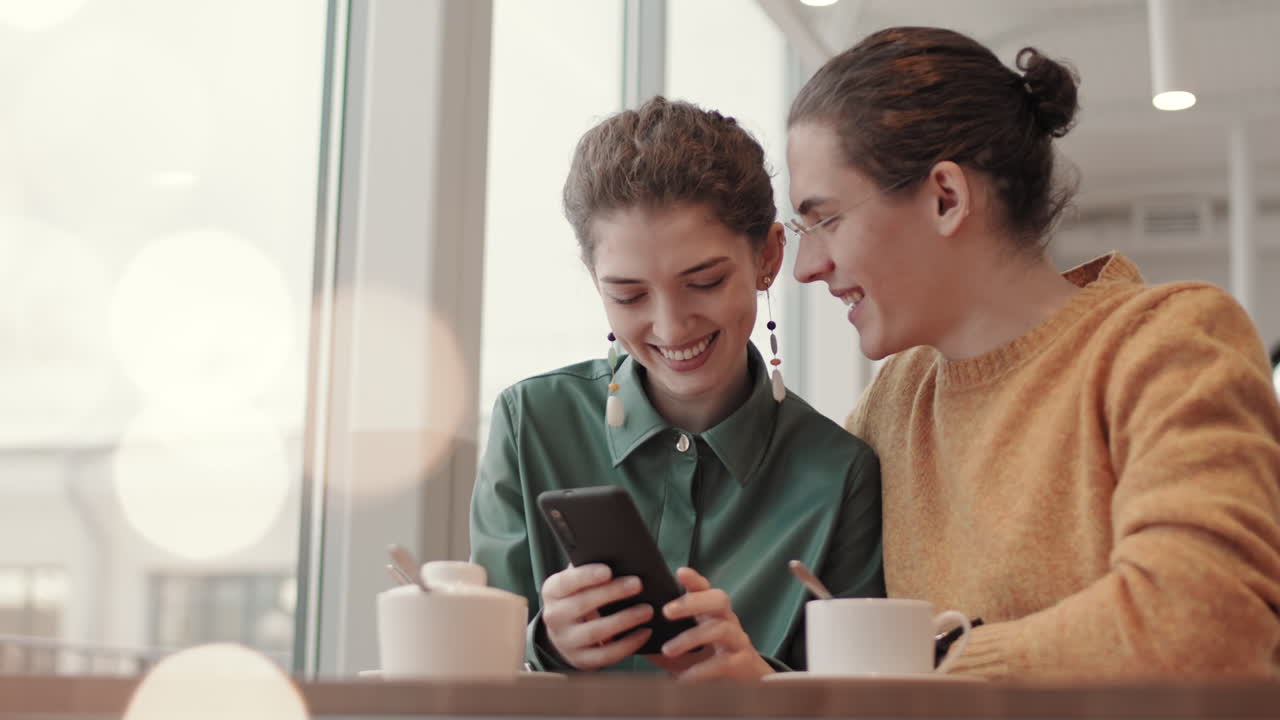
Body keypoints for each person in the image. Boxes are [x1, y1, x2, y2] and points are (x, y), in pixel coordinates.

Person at [784, 26, 1280, 679]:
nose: (805, 266)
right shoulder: (895, 399)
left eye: (824, 220)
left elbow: (1201, 620)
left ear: (945, 198)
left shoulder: (1170, 342)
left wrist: (936, 664)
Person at [470, 97, 883, 680]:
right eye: (629, 295)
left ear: (767, 256)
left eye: (705, 281)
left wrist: (762, 688)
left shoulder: (840, 476)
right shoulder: (529, 423)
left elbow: (861, 698)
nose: (670, 326)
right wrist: (545, 646)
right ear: (595, 281)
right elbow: (467, 681)